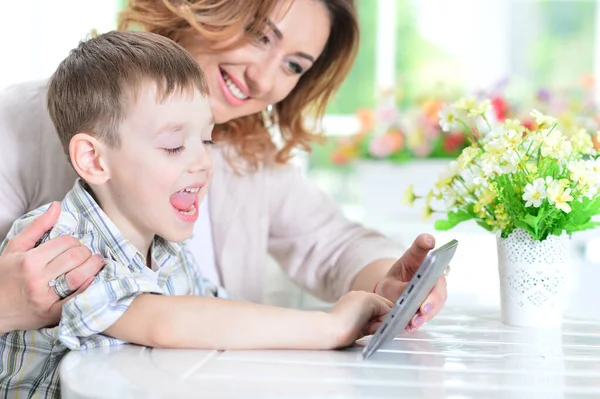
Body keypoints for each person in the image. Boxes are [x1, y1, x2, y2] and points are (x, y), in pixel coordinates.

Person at [0, 0, 446, 335]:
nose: (265, 80)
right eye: (260, 35)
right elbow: (157, 318)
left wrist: (392, 282)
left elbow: (334, 244)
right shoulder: (20, 121)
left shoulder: (247, 152)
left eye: (293, 66)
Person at [0, 30, 394, 398]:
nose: (204, 162)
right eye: (174, 146)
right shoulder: (61, 242)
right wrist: (329, 326)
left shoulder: (166, 251)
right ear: (93, 159)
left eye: (207, 139)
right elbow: (165, 321)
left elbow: (220, 311)